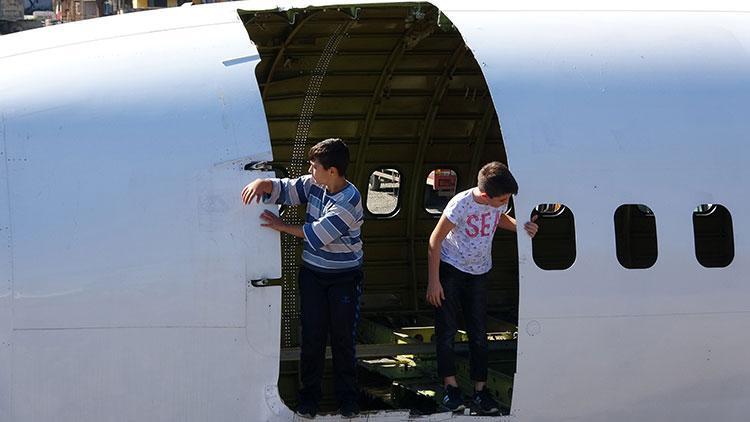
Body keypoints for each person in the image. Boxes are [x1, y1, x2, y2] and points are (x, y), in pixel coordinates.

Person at [242, 138, 363, 419]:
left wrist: (281, 226)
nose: (310, 170)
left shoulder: (348, 200)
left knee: (343, 339)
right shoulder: (315, 184)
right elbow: (289, 189)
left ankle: (348, 399)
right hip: (313, 275)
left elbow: (318, 235)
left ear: (332, 171)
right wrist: (265, 184)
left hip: (344, 278)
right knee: (312, 337)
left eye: (314, 166)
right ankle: (309, 399)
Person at [425, 161, 538, 415]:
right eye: (503, 199)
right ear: (486, 196)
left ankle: (480, 390)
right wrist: (434, 281)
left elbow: (499, 218)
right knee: (447, 330)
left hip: (479, 272)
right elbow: (435, 240)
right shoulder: (461, 204)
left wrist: (521, 226)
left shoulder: (496, 203)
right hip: (451, 269)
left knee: (479, 333)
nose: (505, 202)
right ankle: (451, 387)